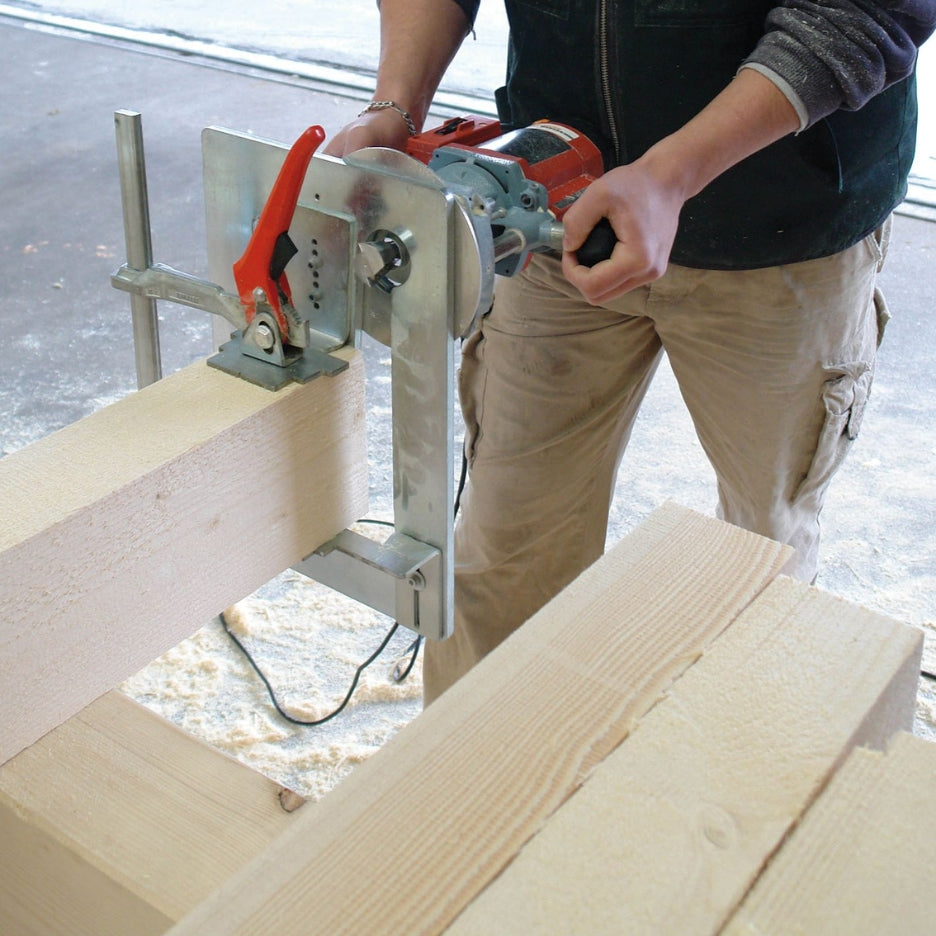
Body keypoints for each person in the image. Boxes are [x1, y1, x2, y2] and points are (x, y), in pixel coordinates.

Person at [326, 1, 936, 705]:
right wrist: (395, 107)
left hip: (779, 232)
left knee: (762, 553)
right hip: (554, 208)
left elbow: (863, 11)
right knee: (505, 547)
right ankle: (476, 760)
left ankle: (737, 767)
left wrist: (671, 174)